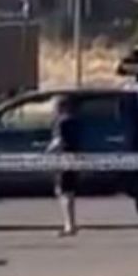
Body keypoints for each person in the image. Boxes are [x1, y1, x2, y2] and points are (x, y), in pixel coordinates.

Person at [49, 96, 81, 237]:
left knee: (63, 192)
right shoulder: (75, 121)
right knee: (70, 192)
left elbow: (59, 141)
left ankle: (69, 225)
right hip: (75, 157)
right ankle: (71, 223)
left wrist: (47, 151)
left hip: (64, 158)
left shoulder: (61, 122)